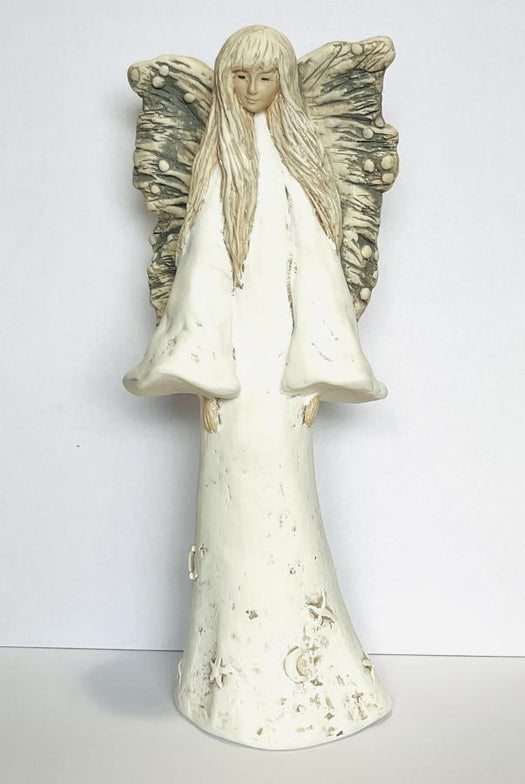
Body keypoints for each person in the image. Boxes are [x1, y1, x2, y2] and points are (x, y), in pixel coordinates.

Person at [124, 25, 392, 750]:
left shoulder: (298, 169)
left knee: (287, 508)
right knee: (232, 512)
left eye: (264, 77)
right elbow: (202, 277)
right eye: (238, 77)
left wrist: (319, 369)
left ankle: (310, 677)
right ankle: (225, 680)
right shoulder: (219, 169)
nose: (251, 90)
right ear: (223, 81)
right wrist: (206, 376)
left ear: (285, 83)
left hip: (283, 374)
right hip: (235, 377)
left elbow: (319, 270)